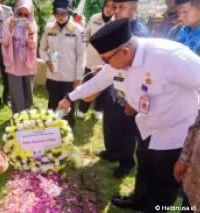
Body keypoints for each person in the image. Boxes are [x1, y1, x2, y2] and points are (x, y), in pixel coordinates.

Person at [57, 19, 200, 213]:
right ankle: (138, 200)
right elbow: (98, 81)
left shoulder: (169, 56)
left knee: (163, 183)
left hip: (175, 132)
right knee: (145, 169)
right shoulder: (120, 60)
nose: (106, 65)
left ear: (124, 51)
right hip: (146, 126)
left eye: (107, 60)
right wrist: (69, 98)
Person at [91, 0, 150, 178]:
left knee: (126, 129)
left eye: (121, 7)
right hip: (113, 87)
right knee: (110, 123)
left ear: (134, 7)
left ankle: (126, 162)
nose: (116, 12)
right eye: (114, 8)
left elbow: (143, 70)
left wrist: (137, 100)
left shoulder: (140, 33)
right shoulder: (113, 27)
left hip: (130, 94)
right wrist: (104, 68)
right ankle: (111, 152)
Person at [39, 0, 85, 128]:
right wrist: (47, 60)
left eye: (63, 13)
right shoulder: (48, 28)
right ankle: (51, 129)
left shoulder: (77, 30)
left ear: (69, 12)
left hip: (69, 78)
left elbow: (81, 55)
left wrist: (78, 78)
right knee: (52, 104)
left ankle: (67, 131)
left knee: (67, 107)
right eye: (57, 13)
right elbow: (42, 49)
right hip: (53, 75)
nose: (60, 16)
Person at [76, 0, 114, 120]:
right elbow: (86, 34)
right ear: (103, 6)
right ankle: (82, 108)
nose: (108, 9)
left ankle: (98, 109)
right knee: (88, 83)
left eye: (112, 7)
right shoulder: (95, 18)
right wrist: (80, 29)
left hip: (107, 61)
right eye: (107, 6)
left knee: (104, 85)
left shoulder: (116, 22)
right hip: (91, 58)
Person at [2, 0, 37, 114]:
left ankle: (29, 118)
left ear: (30, 14)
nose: (22, 17)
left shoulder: (32, 24)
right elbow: (5, 42)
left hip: (27, 63)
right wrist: (10, 29)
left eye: (26, 15)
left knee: (28, 92)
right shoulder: (9, 22)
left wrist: (30, 33)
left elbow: (33, 46)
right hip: (13, 63)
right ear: (16, 12)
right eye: (20, 14)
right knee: (16, 92)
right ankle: (18, 117)